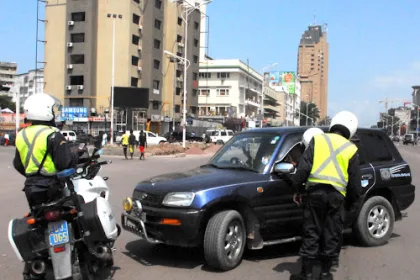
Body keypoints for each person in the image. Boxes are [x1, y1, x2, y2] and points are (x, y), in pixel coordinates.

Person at [289, 111, 362, 280]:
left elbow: (303, 169)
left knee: (311, 233)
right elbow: (355, 183)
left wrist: (297, 189)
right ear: (350, 130)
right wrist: (352, 204)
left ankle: (305, 274)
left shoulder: (318, 139)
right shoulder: (351, 149)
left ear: (333, 124)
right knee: (331, 235)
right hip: (336, 198)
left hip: (314, 195)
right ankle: (324, 274)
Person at [13, 93, 76, 208]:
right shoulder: (53, 134)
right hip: (52, 186)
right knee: (72, 212)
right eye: (52, 110)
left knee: (38, 218)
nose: (54, 113)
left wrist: (33, 176)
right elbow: (64, 163)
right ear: (45, 111)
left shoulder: (21, 135)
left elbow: (17, 164)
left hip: (31, 187)